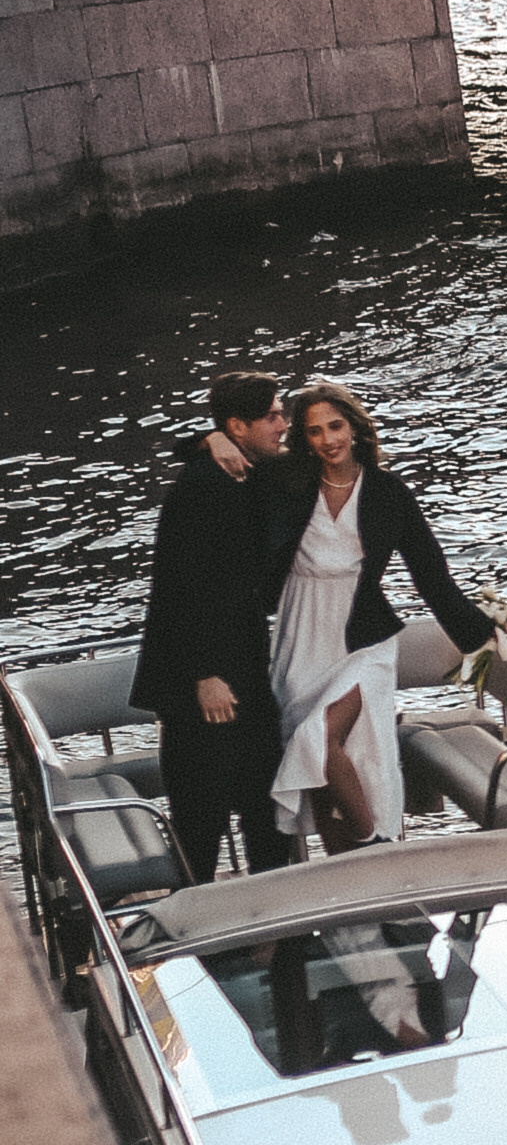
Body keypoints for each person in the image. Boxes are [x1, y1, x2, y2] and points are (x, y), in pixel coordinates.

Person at [264, 382, 497, 854]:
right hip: (299, 643)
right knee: (326, 773)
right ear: (303, 439)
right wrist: (211, 441)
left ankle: (376, 844)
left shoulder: (388, 493)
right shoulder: (285, 484)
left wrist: (485, 634)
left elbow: (432, 577)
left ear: (354, 427)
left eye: (336, 426)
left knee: (319, 740)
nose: (329, 439)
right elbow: (224, 465)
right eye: (314, 431)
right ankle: (352, 901)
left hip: (364, 643)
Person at [131, 366, 300, 885]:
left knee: (262, 803)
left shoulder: (250, 467)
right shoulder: (203, 487)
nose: (283, 424)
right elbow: (178, 586)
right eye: (272, 416)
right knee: (202, 815)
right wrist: (204, 675)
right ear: (238, 425)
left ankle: (274, 925)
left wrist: (207, 439)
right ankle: (196, 937)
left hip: (245, 661)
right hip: (202, 679)